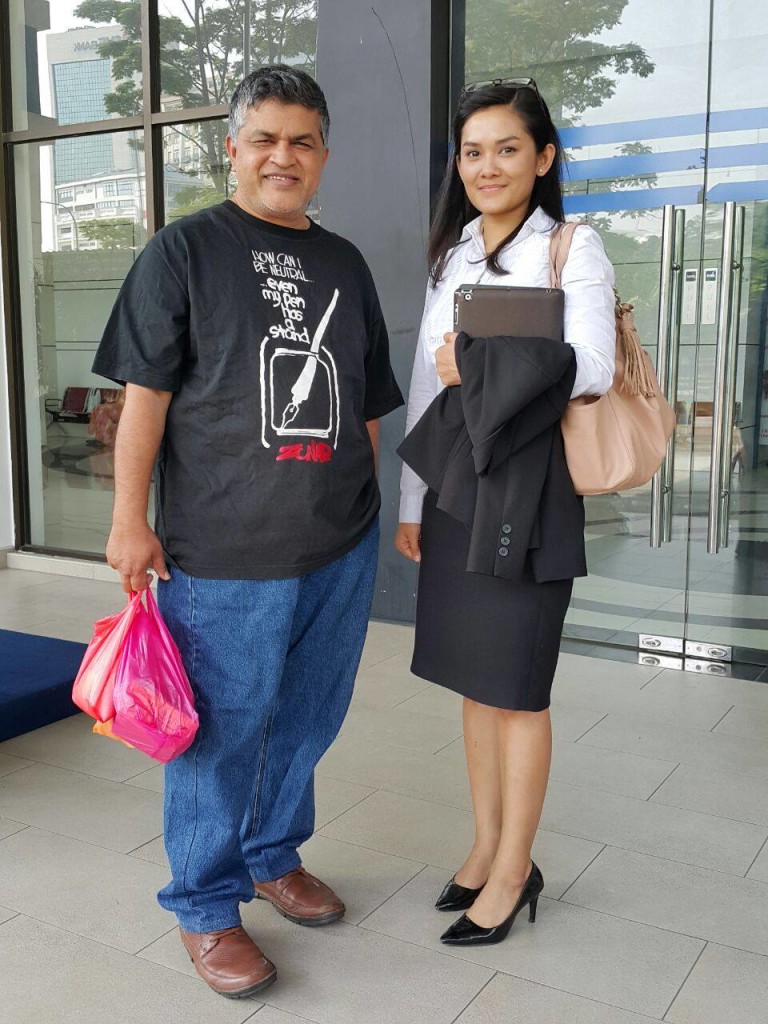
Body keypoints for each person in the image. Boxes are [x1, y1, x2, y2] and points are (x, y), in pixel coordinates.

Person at [93, 65, 403, 998]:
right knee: (220, 732)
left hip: (337, 543)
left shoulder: (344, 262)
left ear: (322, 155)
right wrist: (127, 524)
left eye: (302, 141)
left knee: (308, 719)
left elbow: (368, 401)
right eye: (264, 138)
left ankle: (273, 852)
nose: (283, 156)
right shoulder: (183, 251)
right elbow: (143, 400)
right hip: (224, 550)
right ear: (232, 147)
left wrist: (368, 507)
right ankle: (204, 901)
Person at [395, 79, 615, 947]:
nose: (487, 167)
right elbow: (425, 380)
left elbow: (592, 364)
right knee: (475, 681)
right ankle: (486, 845)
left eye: (508, 149)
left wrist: (476, 363)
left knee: (518, 690)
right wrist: (414, 499)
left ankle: (518, 869)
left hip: (532, 487)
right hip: (458, 484)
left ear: (544, 158)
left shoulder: (571, 246)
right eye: (472, 151)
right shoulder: (450, 255)